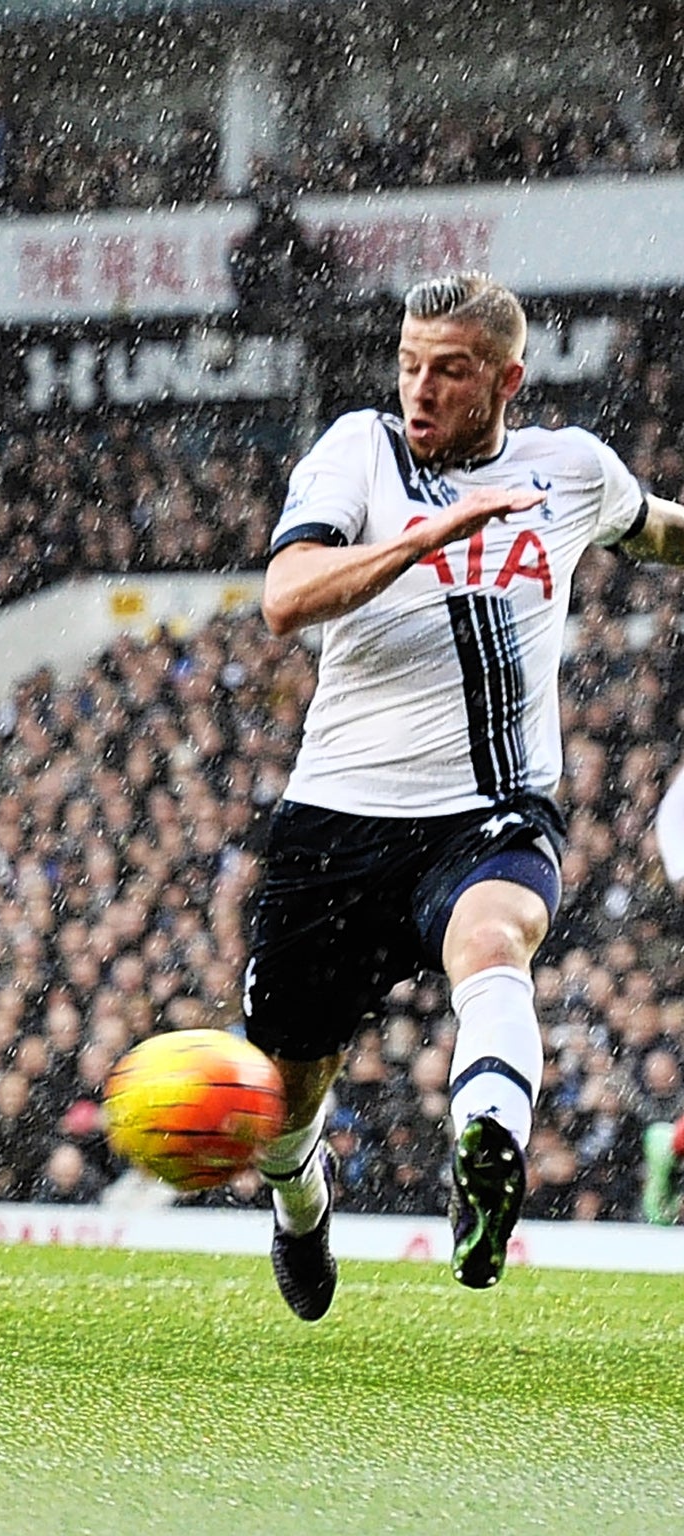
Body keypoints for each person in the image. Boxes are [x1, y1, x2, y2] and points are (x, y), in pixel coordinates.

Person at [248, 271, 684, 1319]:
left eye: (447, 371)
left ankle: (485, 1149)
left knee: (495, 945)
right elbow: (283, 599)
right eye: (407, 366)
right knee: (284, 1091)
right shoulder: (357, 452)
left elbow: (657, 529)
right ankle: (297, 1206)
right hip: (338, 821)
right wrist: (422, 542)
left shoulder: (569, 469)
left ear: (504, 380)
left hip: (488, 810)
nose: (419, 390)